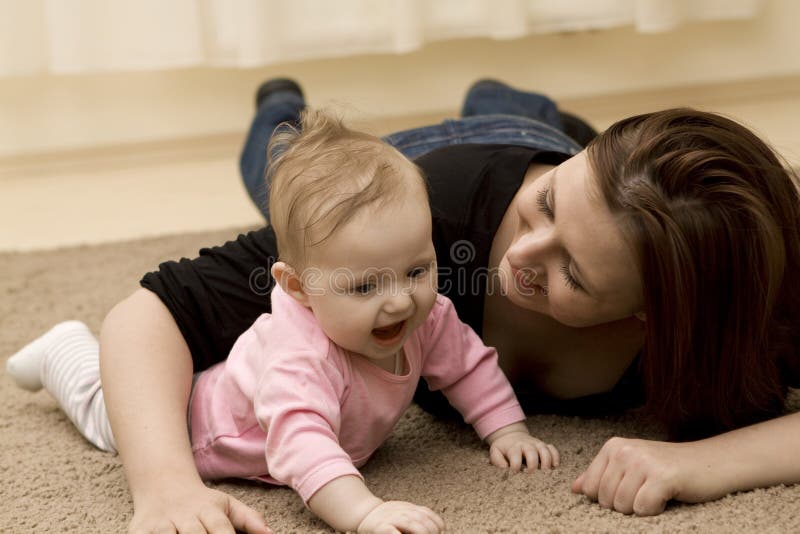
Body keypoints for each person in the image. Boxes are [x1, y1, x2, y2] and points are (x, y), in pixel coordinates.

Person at [11, 77, 800, 533]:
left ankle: (523, 109)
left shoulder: (752, 294)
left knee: (545, 152)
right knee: (297, 172)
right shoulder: (416, 233)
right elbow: (149, 313)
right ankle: (282, 103)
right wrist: (165, 484)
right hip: (454, 157)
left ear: (657, 317)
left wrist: (700, 464)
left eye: (575, 276)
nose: (522, 257)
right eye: (548, 206)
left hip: (564, 171)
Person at [8, 108, 560, 533]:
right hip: (192, 423)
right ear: (298, 287)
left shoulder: (428, 311)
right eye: (365, 286)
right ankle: (64, 348)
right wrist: (364, 512)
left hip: (249, 383)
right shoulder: (302, 358)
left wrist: (506, 429)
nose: (399, 302)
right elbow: (303, 445)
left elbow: (468, 365)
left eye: (416, 269)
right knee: (101, 408)